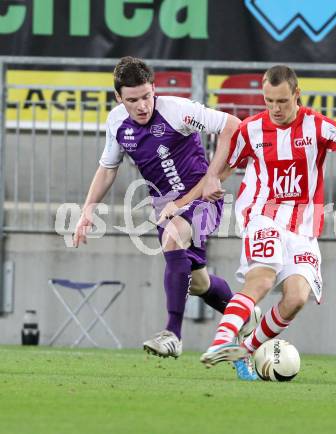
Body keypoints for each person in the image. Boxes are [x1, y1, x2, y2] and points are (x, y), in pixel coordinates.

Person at [199, 64, 336, 366]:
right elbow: (226, 166)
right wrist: (212, 181)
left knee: (296, 298)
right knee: (262, 279)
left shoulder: (318, 126)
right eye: (269, 101)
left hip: (302, 227)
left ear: (297, 95)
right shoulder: (251, 129)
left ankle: (244, 349)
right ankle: (220, 342)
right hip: (262, 215)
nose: (275, 108)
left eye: (282, 101)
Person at [73, 56, 260, 380]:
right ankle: (247, 315)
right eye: (132, 100)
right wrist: (88, 210)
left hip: (202, 200)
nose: (142, 105)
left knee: (173, 236)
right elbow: (108, 167)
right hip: (167, 208)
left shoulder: (177, 110)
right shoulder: (117, 123)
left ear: (154, 89)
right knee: (199, 283)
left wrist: (214, 175)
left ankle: (172, 334)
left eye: (146, 96)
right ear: (119, 98)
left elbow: (231, 126)